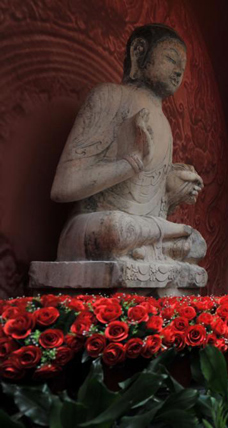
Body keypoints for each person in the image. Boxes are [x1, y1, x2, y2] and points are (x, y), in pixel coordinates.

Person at [50, 24, 206, 275]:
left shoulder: (164, 123)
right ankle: (141, 251)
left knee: (195, 243)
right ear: (139, 51)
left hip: (140, 232)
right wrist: (129, 164)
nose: (178, 71)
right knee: (117, 228)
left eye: (183, 66)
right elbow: (64, 187)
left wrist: (173, 190)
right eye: (170, 58)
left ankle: (142, 251)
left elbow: (153, 209)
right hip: (99, 225)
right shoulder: (109, 97)